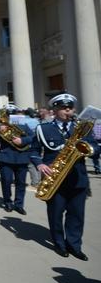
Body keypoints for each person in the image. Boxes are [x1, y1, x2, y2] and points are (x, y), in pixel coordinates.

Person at [30, 93, 98, 260]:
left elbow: (96, 146)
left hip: (78, 177)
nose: (68, 111)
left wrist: (90, 149)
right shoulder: (43, 128)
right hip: (54, 178)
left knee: (77, 215)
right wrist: (40, 164)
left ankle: (74, 245)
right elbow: (33, 150)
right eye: (64, 108)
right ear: (55, 110)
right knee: (55, 213)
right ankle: (59, 243)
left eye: (70, 108)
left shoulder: (82, 128)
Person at [0, 105, 34, 214]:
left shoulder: (24, 125)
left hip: (22, 157)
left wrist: (22, 140)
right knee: (6, 181)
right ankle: (7, 202)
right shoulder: (0, 126)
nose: (10, 117)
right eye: (8, 115)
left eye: (13, 114)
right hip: (6, 157)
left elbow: (32, 137)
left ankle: (19, 204)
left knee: (21, 182)